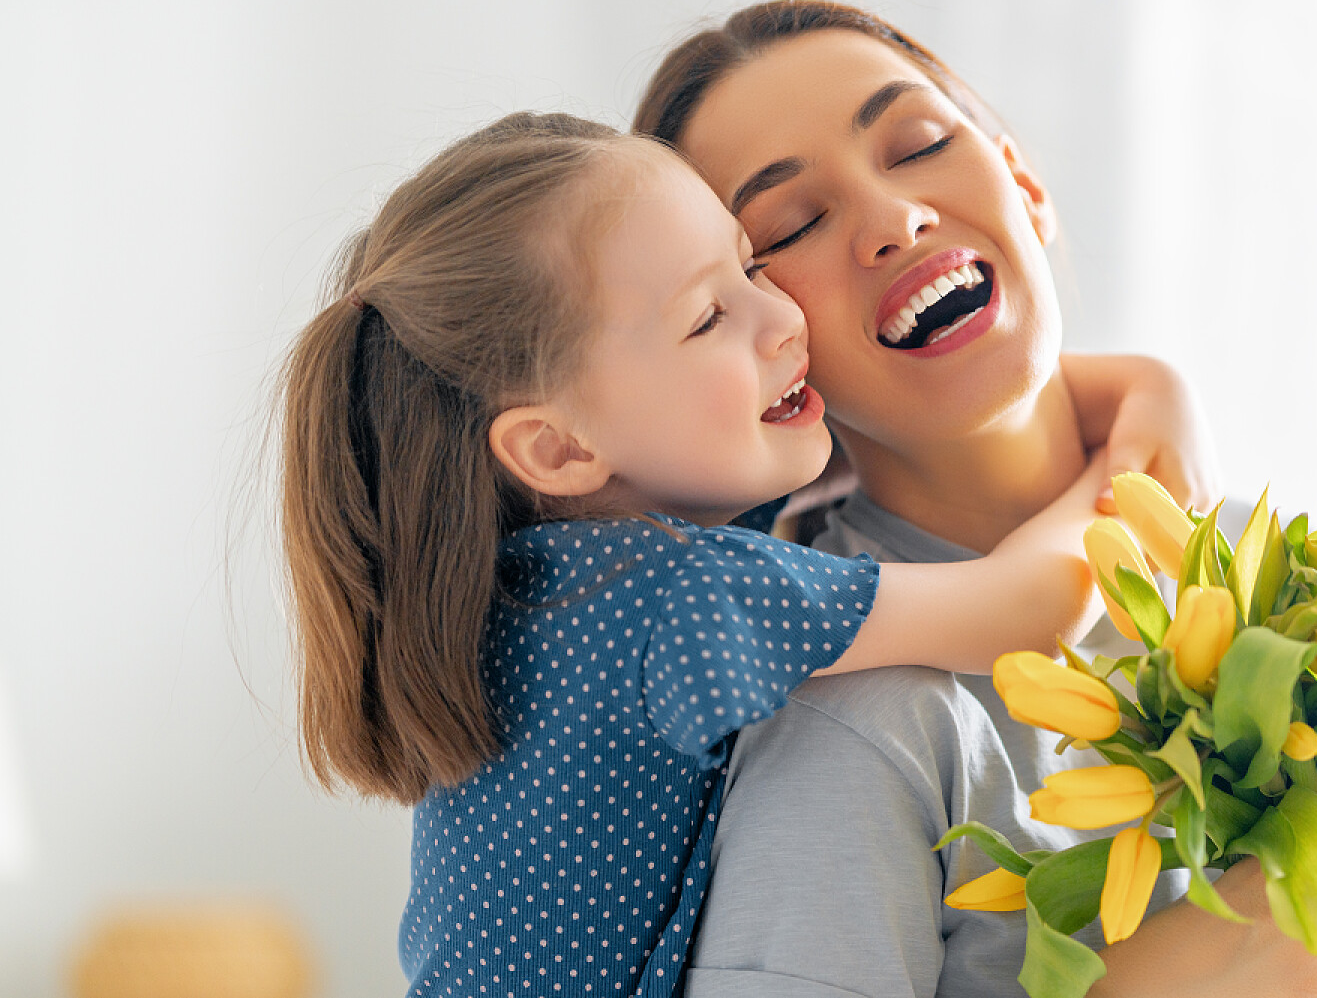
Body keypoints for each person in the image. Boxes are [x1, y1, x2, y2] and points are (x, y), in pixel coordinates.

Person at [634, 0, 1317, 998]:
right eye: (792, 225)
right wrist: (1165, 975)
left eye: (918, 145)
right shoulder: (853, 721)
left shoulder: (1304, 578)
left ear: (1024, 183)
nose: (893, 220)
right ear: (756, 338)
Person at [277, 111, 1222, 996]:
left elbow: (910, 418)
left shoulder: (554, 575)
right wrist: (1129, 464)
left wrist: (1150, 386)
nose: (783, 320)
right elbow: (1028, 608)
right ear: (557, 449)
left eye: (752, 266)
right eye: (707, 318)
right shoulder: (679, 594)